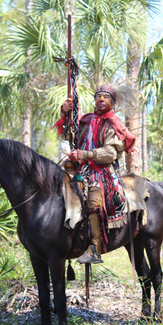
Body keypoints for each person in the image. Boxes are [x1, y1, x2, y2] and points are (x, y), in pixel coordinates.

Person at [58, 84, 136, 264]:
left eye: (106, 97)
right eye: (99, 96)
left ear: (113, 102)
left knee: (94, 196)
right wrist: (65, 113)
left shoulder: (113, 123)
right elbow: (67, 136)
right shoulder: (86, 120)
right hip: (81, 167)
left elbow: (110, 153)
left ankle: (95, 247)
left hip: (102, 169)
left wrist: (84, 154)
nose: (101, 99)